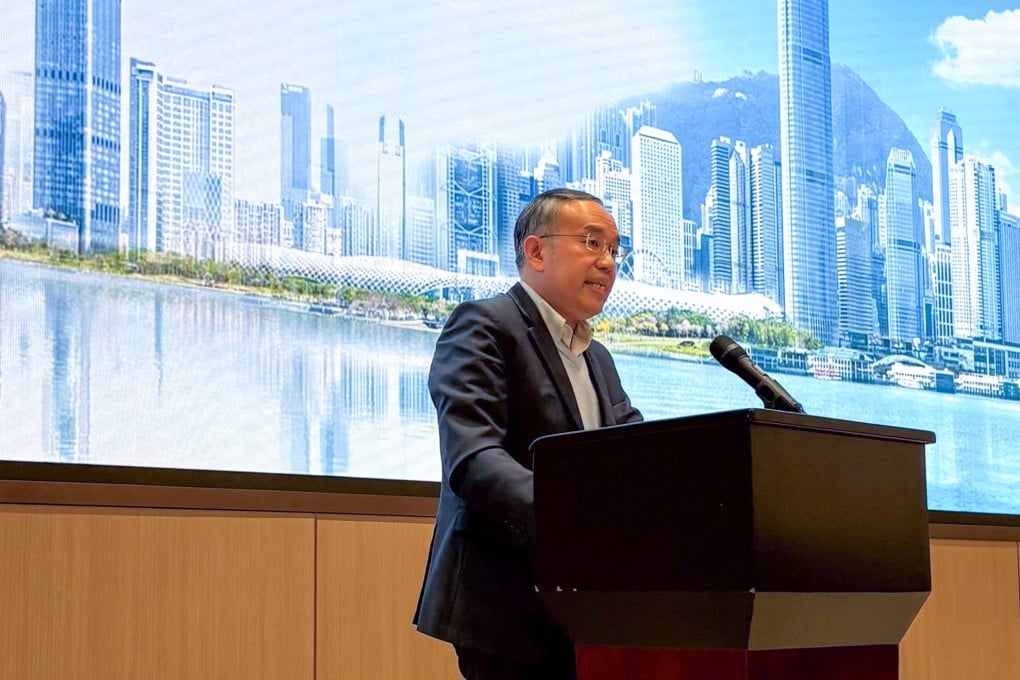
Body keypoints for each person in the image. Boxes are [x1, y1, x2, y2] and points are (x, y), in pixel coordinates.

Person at [414, 188, 643, 679]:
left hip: (584, 613)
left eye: (615, 250)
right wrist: (577, 523)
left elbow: (635, 456)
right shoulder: (484, 326)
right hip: (504, 609)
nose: (608, 263)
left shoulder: (597, 358)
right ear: (537, 251)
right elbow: (474, 459)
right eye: (592, 243)